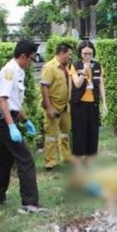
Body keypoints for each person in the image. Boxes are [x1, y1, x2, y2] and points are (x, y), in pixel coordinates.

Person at [0, 40, 45, 214]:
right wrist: (12, 126)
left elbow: (14, 102)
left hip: (9, 118)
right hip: (5, 121)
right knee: (25, 159)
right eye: (30, 58)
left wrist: (26, 120)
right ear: (23, 56)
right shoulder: (9, 72)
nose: (31, 62)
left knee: (5, 160)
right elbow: (2, 101)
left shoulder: (17, 71)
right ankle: (29, 204)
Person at [69, 40, 107, 168]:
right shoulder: (74, 66)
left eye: (90, 54)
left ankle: (90, 164)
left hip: (93, 104)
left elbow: (101, 84)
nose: (87, 56)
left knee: (93, 134)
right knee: (79, 134)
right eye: (84, 54)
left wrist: (104, 103)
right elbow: (77, 84)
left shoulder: (97, 65)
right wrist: (84, 72)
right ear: (80, 54)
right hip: (79, 105)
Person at [41, 43, 74, 171]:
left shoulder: (66, 67)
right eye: (68, 54)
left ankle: (66, 157)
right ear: (61, 53)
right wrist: (49, 108)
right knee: (51, 136)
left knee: (65, 134)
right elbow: (44, 87)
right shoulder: (49, 67)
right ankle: (50, 162)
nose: (70, 57)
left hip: (65, 107)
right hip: (53, 107)